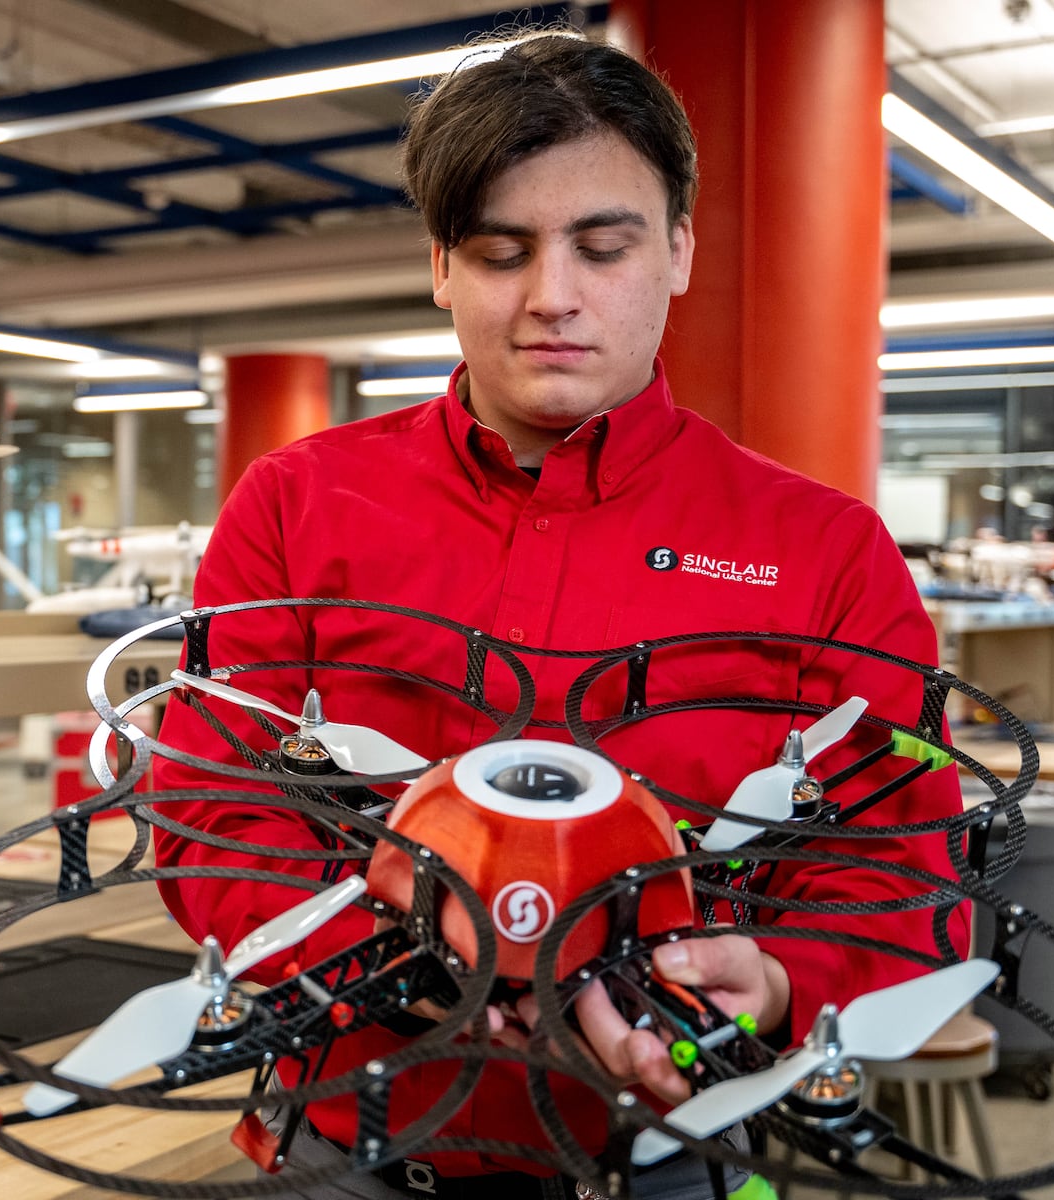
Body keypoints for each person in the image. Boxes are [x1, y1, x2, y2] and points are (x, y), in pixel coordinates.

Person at [149, 28, 964, 1200]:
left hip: (669, 1153)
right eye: (500, 251)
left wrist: (781, 980)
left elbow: (898, 866)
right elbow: (209, 802)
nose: (552, 298)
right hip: (351, 1140)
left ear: (678, 250)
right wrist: (406, 962)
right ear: (441, 266)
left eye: (602, 245)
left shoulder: (823, 550)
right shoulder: (296, 502)